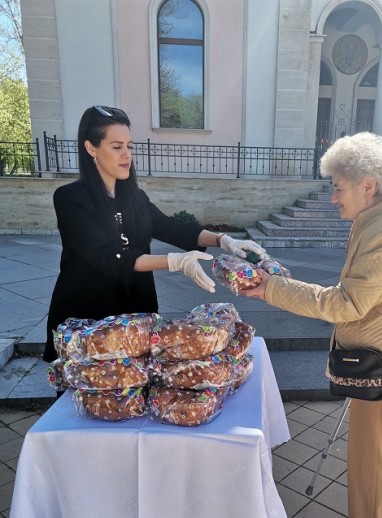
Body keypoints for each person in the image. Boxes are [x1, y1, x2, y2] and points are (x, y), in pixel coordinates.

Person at [241, 132, 382, 518]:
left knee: (370, 453)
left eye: (338, 186)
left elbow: (347, 303)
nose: (332, 197)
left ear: (368, 186)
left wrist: (273, 289)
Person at [43, 105, 265, 362]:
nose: (126, 155)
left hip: (135, 312)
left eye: (129, 146)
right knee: (85, 396)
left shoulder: (134, 197)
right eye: (117, 147)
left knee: (135, 393)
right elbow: (109, 256)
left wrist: (223, 240)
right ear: (91, 148)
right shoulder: (71, 198)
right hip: (87, 317)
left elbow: (171, 227)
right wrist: (175, 262)